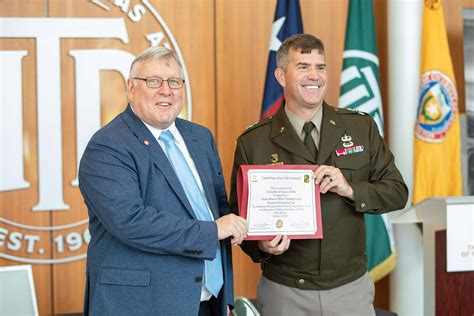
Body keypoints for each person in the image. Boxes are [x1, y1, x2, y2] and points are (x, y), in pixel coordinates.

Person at [229, 34, 408, 315]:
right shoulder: (253, 142)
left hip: (350, 289)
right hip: (285, 292)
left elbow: (397, 192)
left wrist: (351, 189)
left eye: (320, 67)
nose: (314, 75)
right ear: (280, 75)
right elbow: (238, 219)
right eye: (303, 66)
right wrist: (261, 245)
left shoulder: (360, 127)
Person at [79, 46, 248, 316]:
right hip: (142, 304)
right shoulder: (108, 145)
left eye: (174, 81)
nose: (166, 90)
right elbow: (130, 221)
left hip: (207, 301)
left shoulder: (200, 137)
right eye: (154, 81)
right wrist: (212, 231)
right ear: (131, 88)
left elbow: (219, 213)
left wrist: (262, 235)